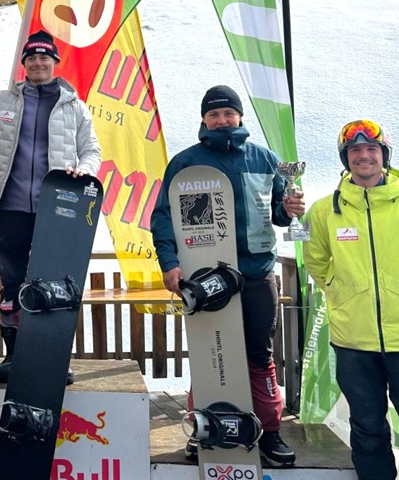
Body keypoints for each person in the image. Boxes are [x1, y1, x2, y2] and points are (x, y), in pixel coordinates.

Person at [150, 85, 304, 466]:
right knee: (209, 354)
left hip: (255, 272)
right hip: (206, 277)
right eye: (214, 114)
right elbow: (163, 217)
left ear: (239, 117)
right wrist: (169, 262)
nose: (222, 120)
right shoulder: (187, 163)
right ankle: (204, 429)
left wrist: (291, 206)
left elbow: (279, 215)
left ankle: (269, 432)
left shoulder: (264, 159)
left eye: (228, 113)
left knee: (258, 354)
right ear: (203, 119)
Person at [303, 119, 399, 479]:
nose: (363, 156)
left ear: (384, 156)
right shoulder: (325, 211)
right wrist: (340, 292)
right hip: (354, 341)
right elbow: (315, 258)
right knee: (368, 432)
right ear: (346, 159)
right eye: (354, 150)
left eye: (371, 149)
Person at [0, 30, 101, 384]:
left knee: (54, 283)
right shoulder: (4, 100)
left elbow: (92, 149)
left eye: (44, 57)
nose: (37, 62)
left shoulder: (75, 106)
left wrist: (86, 170)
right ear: (24, 64)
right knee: (14, 284)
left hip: (57, 209)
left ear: (54, 62)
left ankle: (53, 357)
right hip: (13, 206)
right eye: (31, 57)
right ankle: (15, 355)